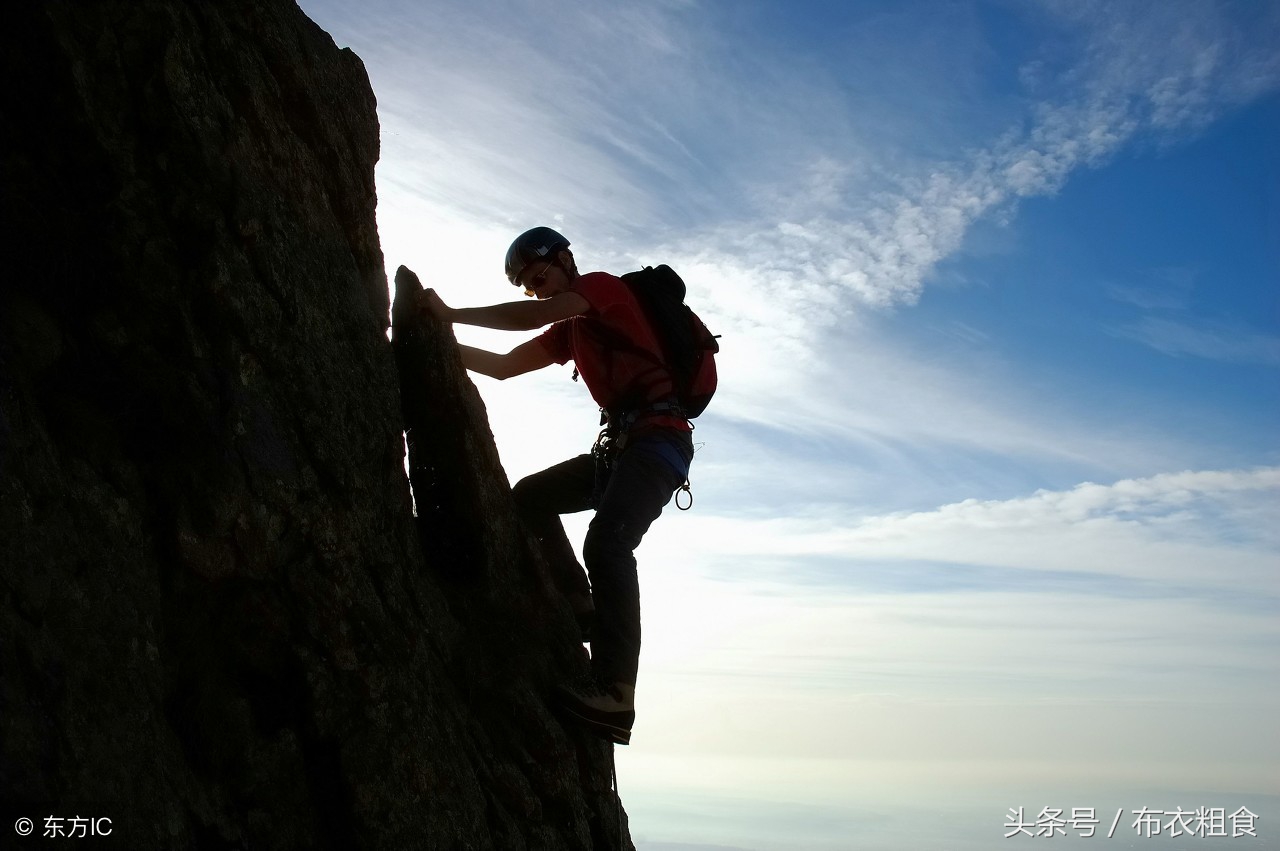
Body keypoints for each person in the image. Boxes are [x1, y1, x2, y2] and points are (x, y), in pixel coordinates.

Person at [417, 226, 693, 746]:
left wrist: (449, 314)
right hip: (621, 452)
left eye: (540, 277)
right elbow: (502, 367)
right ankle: (579, 601)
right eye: (529, 286)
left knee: (609, 543)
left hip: (660, 444)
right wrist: (434, 338)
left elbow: (529, 319)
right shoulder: (572, 332)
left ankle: (616, 695)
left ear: (566, 262)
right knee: (531, 497)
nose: (538, 291)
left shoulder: (605, 289)